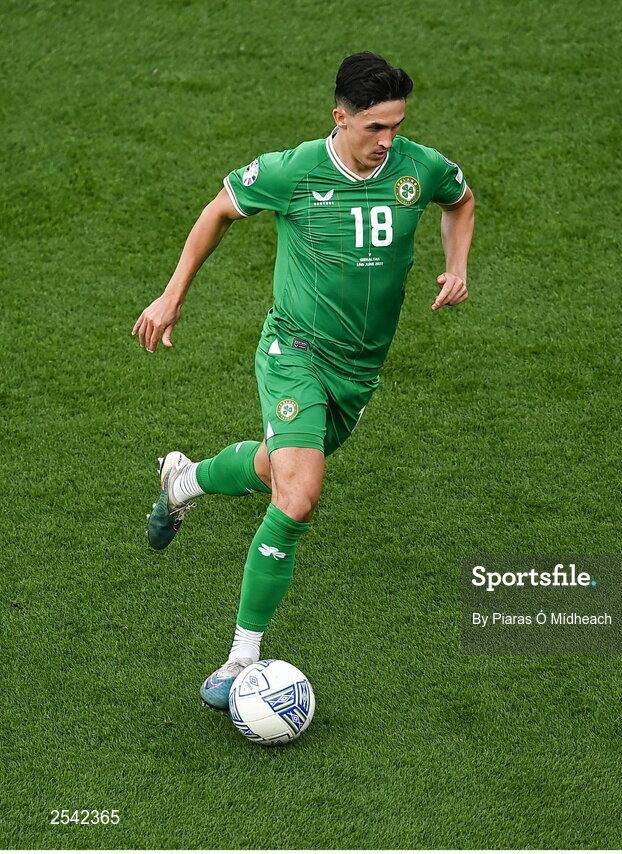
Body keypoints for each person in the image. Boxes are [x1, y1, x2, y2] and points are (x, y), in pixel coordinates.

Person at [131, 52, 475, 709]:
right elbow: (217, 212)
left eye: (396, 127)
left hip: (359, 370)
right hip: (296, 350)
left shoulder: (418, 168)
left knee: (273, 468)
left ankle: (186, 481)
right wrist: (172, 297)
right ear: (340, 118)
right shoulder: (294, 172)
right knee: (299, 495)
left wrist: (456, 265)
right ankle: (240, 660)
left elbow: (461, 202)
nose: (387, 142)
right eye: (374, 128)